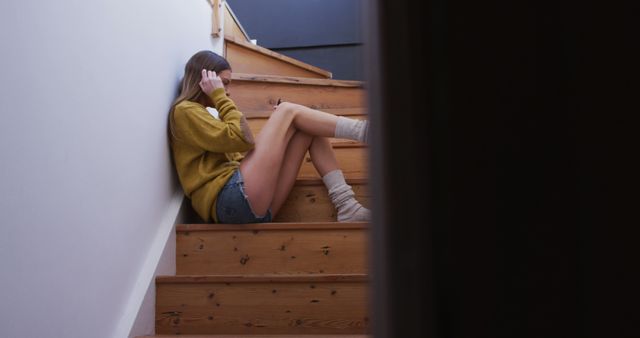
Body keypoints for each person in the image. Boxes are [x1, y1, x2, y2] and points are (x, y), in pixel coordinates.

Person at [169, 50, 370, 224]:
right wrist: (219, 96)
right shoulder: (184, 111)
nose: (226, 92)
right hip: (230, 199)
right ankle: (367, 132)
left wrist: (283, 130)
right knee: (287, 110)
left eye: (225, 87)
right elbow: (243, 138)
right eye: (223, 84)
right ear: (204, 81)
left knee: (307, 128)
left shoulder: (201, 115)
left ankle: (347, 206)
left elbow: (242, 146)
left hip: (251, 204)